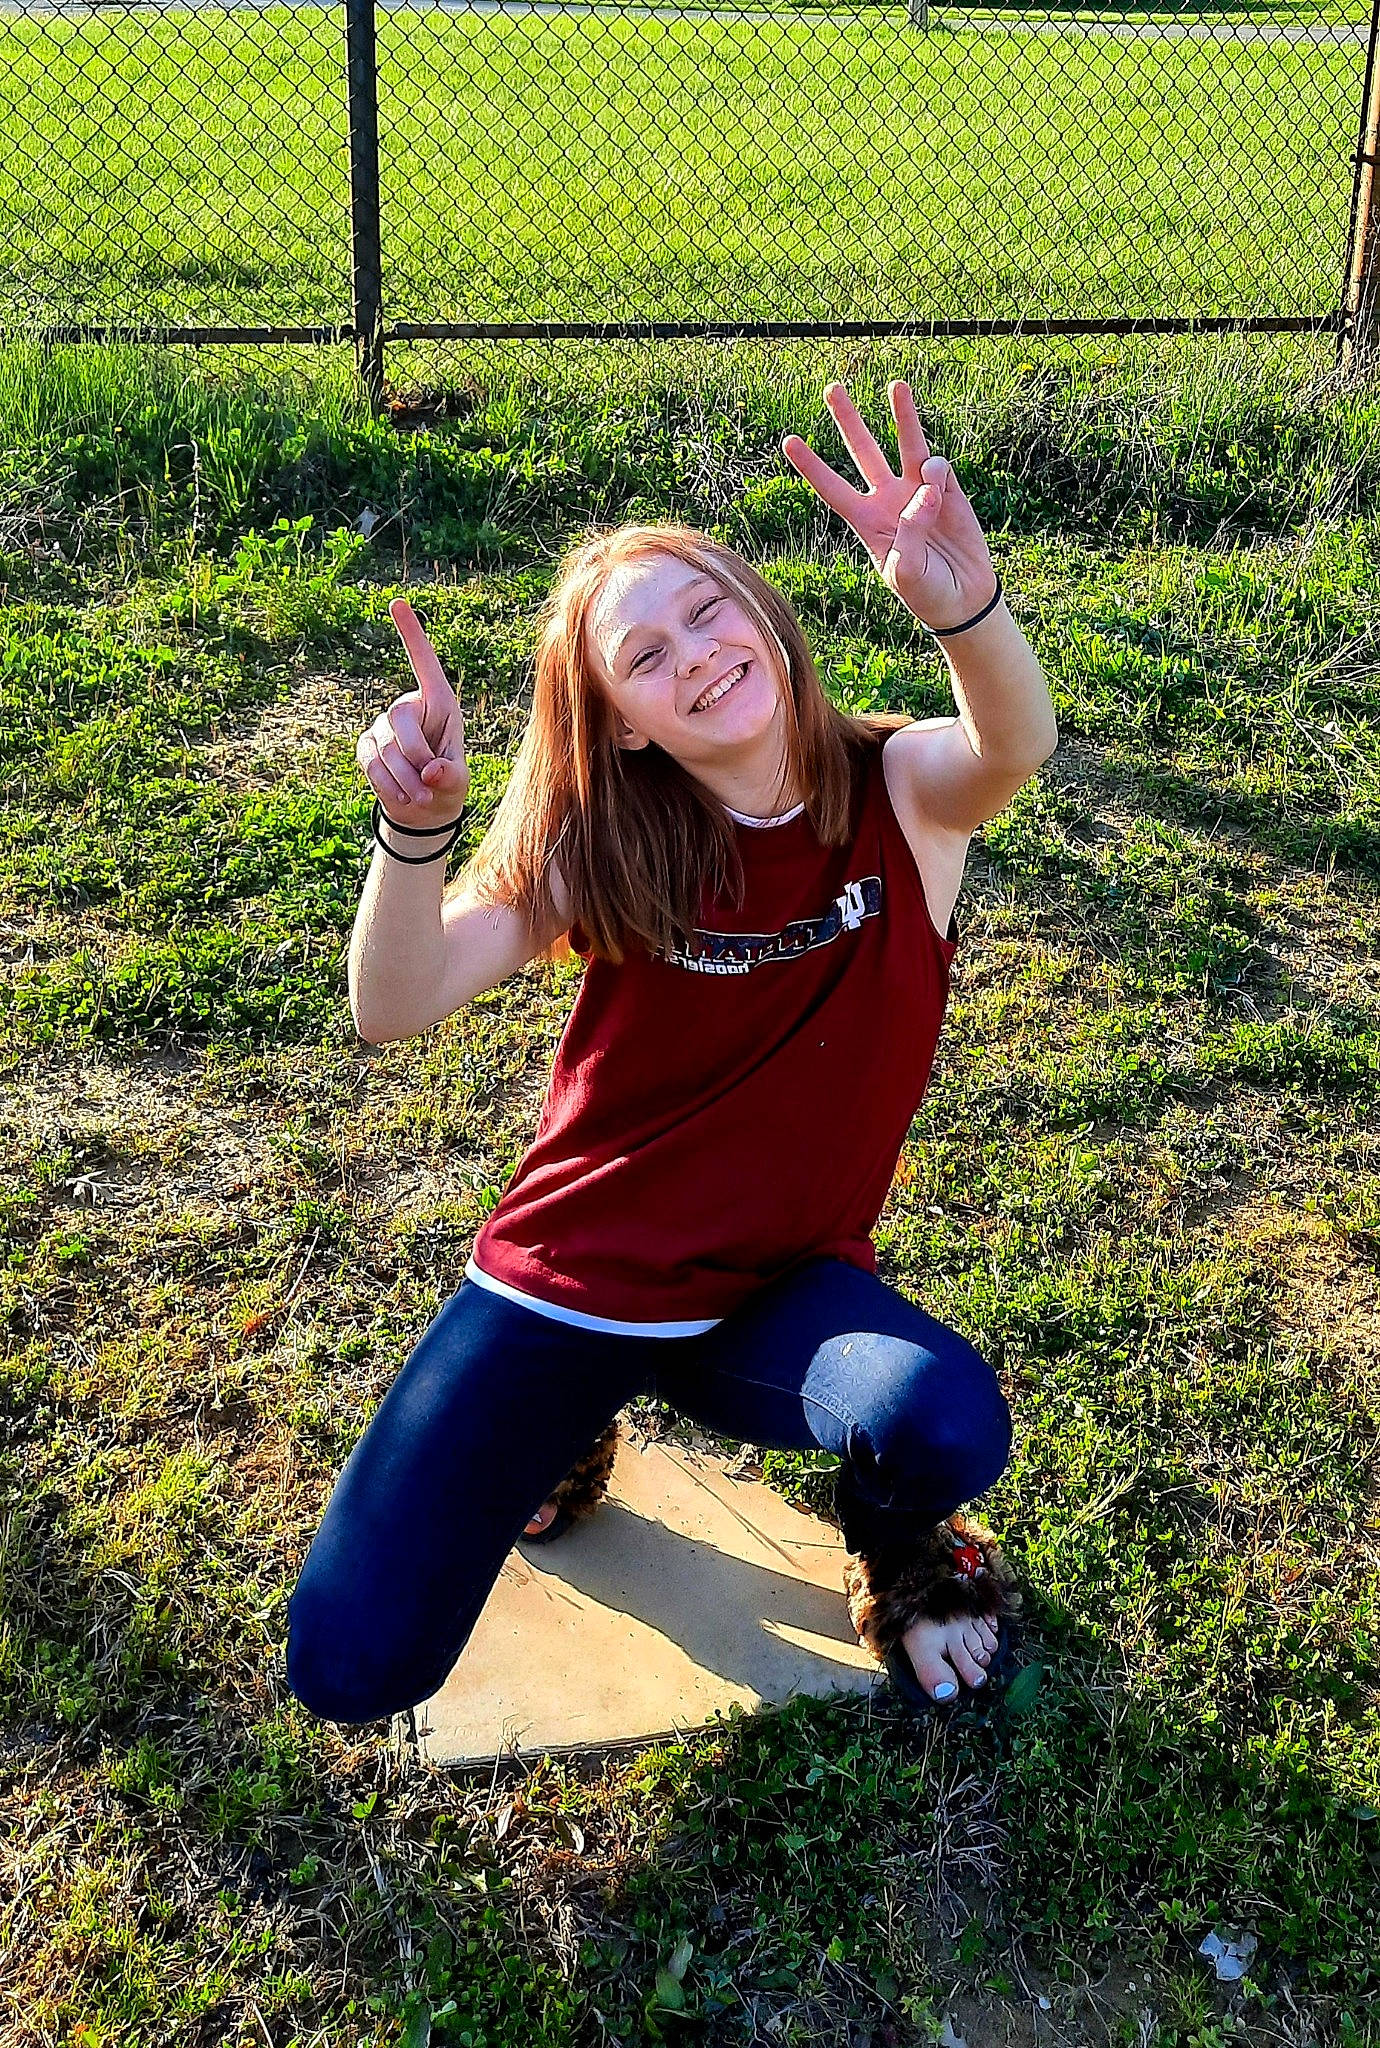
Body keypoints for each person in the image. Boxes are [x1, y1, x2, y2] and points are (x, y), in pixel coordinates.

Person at [286, 380, 1057, 1724]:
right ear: (626, 721)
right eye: (644, 658)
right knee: (351, 1665)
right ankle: (570, 1415)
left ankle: (904, 1555)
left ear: (763, 612)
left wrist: (964, 613)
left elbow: (1015, 745)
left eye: (709, 609)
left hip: (778, 1298)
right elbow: (391, 1005)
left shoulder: (902, 790)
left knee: (942, 1424)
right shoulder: (600, 845)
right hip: (571, 1282)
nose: (696, 653)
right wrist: (412, 835)